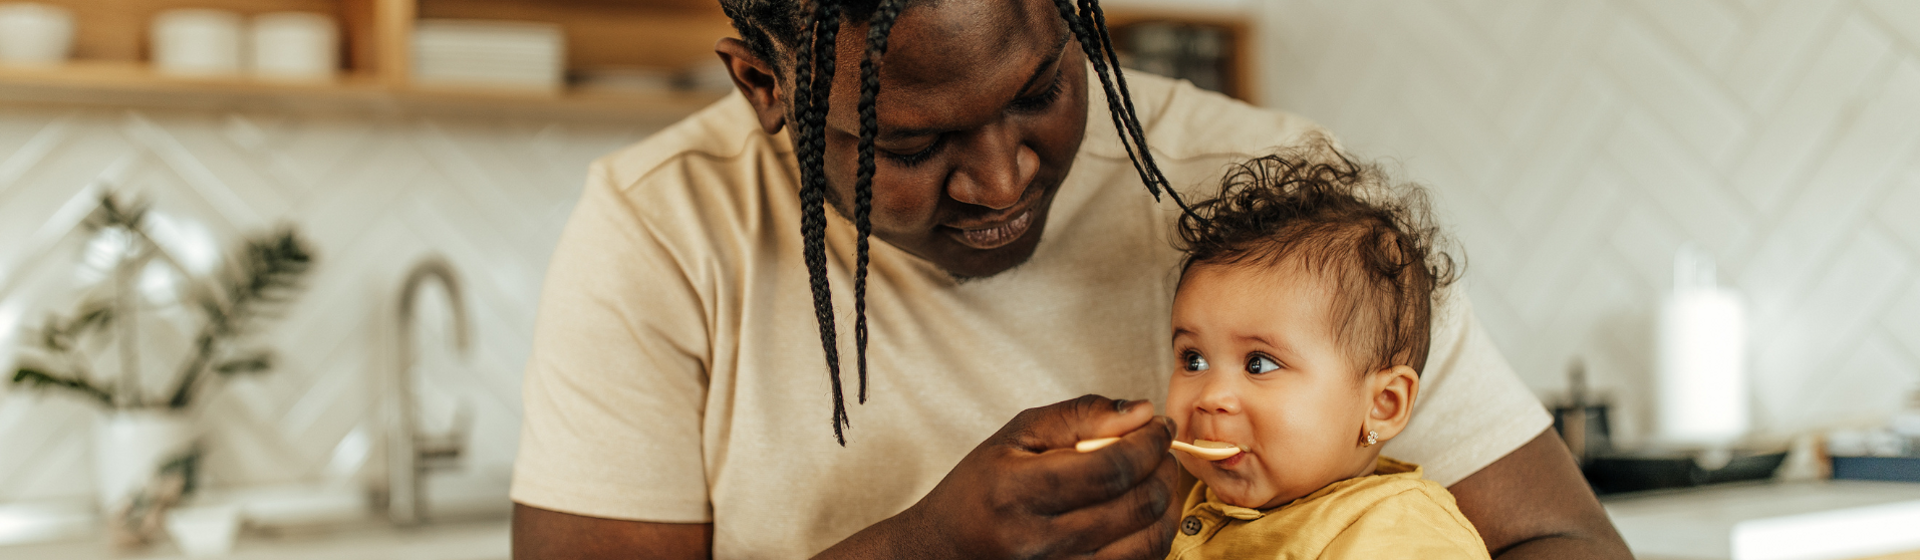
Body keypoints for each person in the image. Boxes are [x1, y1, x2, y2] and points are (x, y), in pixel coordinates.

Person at [509, 1, 1631, 559]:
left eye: (1041, 86)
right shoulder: (662, 229)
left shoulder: (1273, 208)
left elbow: (1564, 540)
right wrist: (922, 550)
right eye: (910, 145)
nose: (1002, 175)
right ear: (766, 83)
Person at [1162, 143, 1487, 559]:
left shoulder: (1397, 532)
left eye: (1258, 364)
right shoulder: (1194, 498)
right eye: (1194, 360)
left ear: (1382, 406)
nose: (1209, 397)